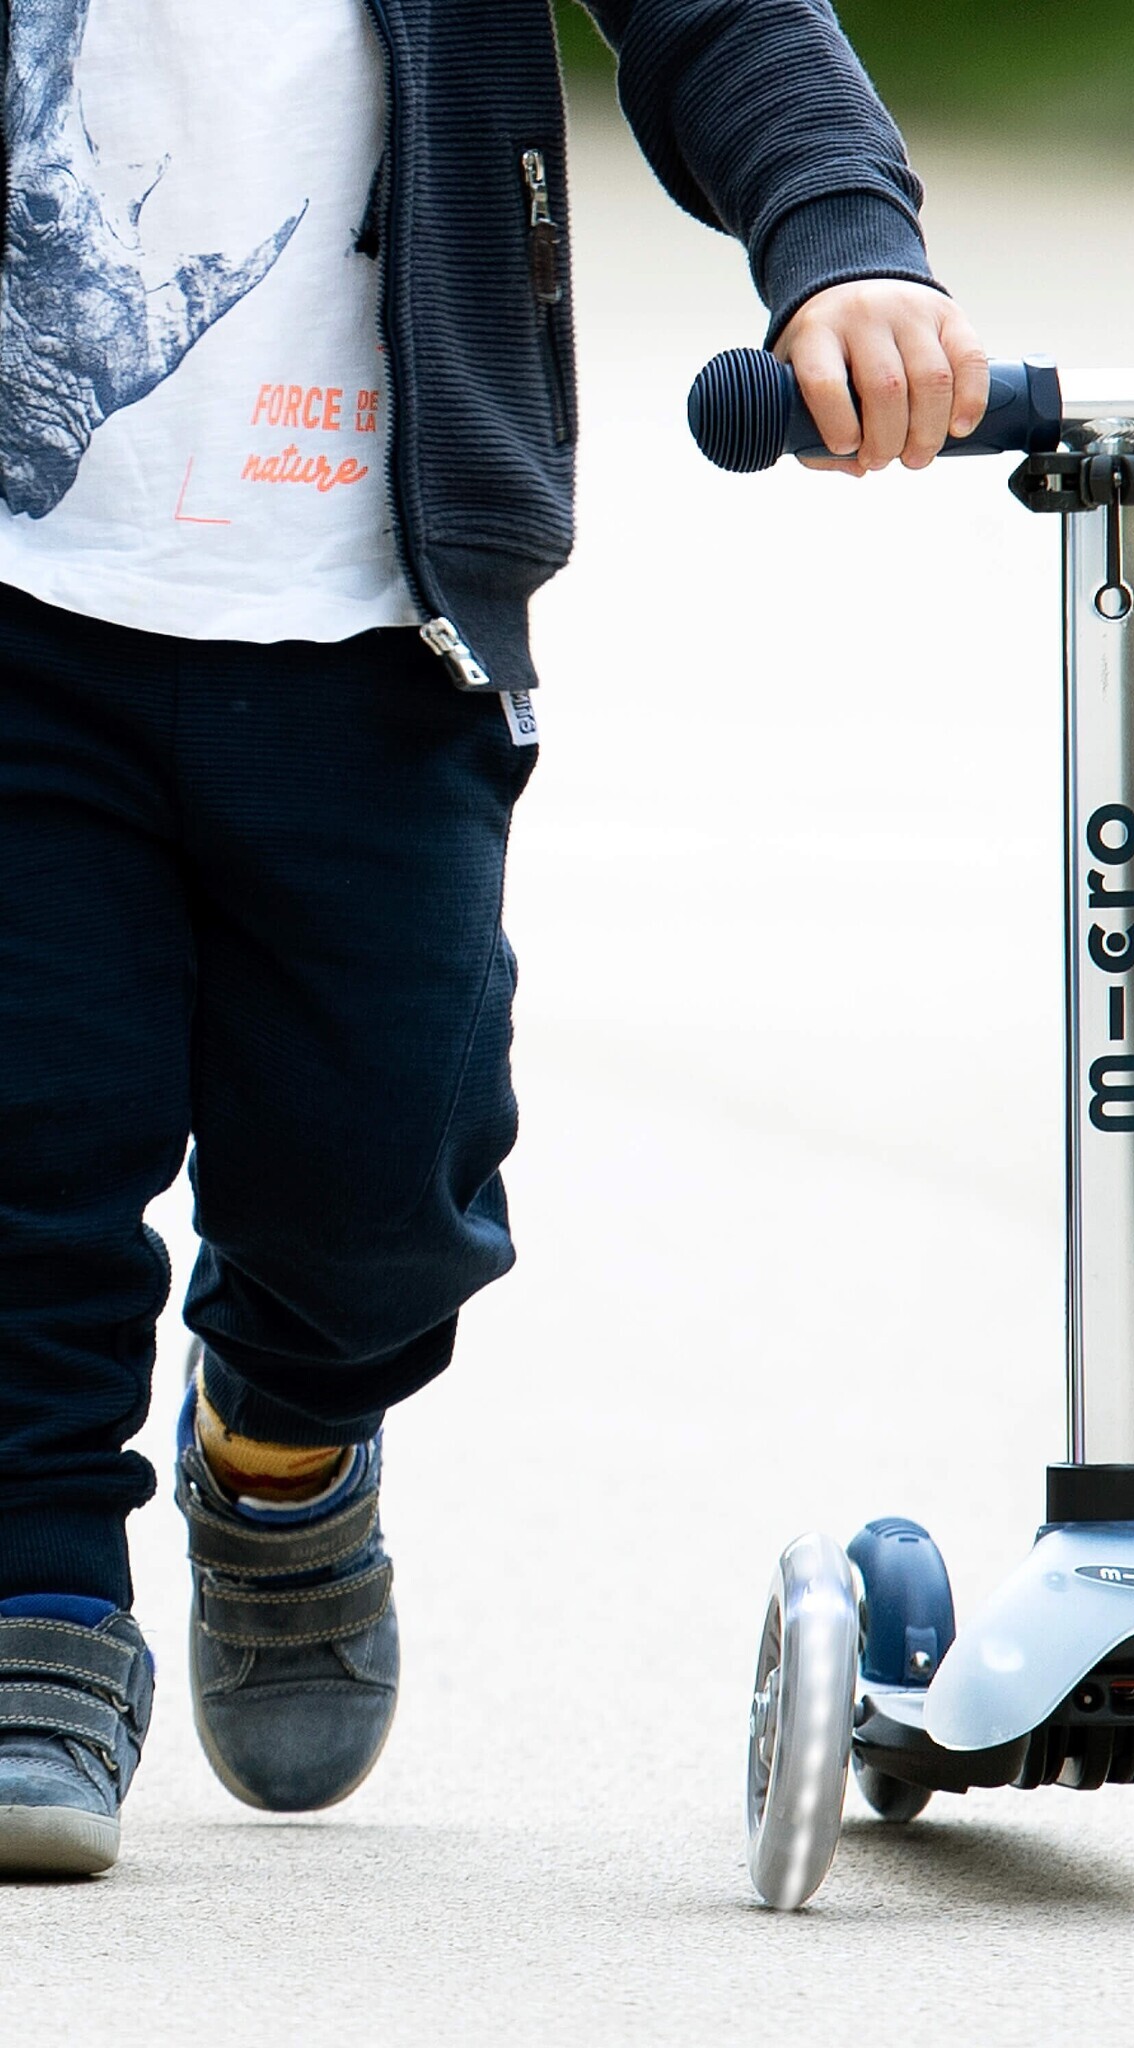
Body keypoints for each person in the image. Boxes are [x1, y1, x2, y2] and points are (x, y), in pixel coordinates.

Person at [0, 0, 987, 1874]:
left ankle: (283, 1448)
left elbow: (721, 16)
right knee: (21, 1138)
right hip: (24, 605)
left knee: (382, 1179)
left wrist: (842, 237)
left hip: (376, 613)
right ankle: (31, 1602)